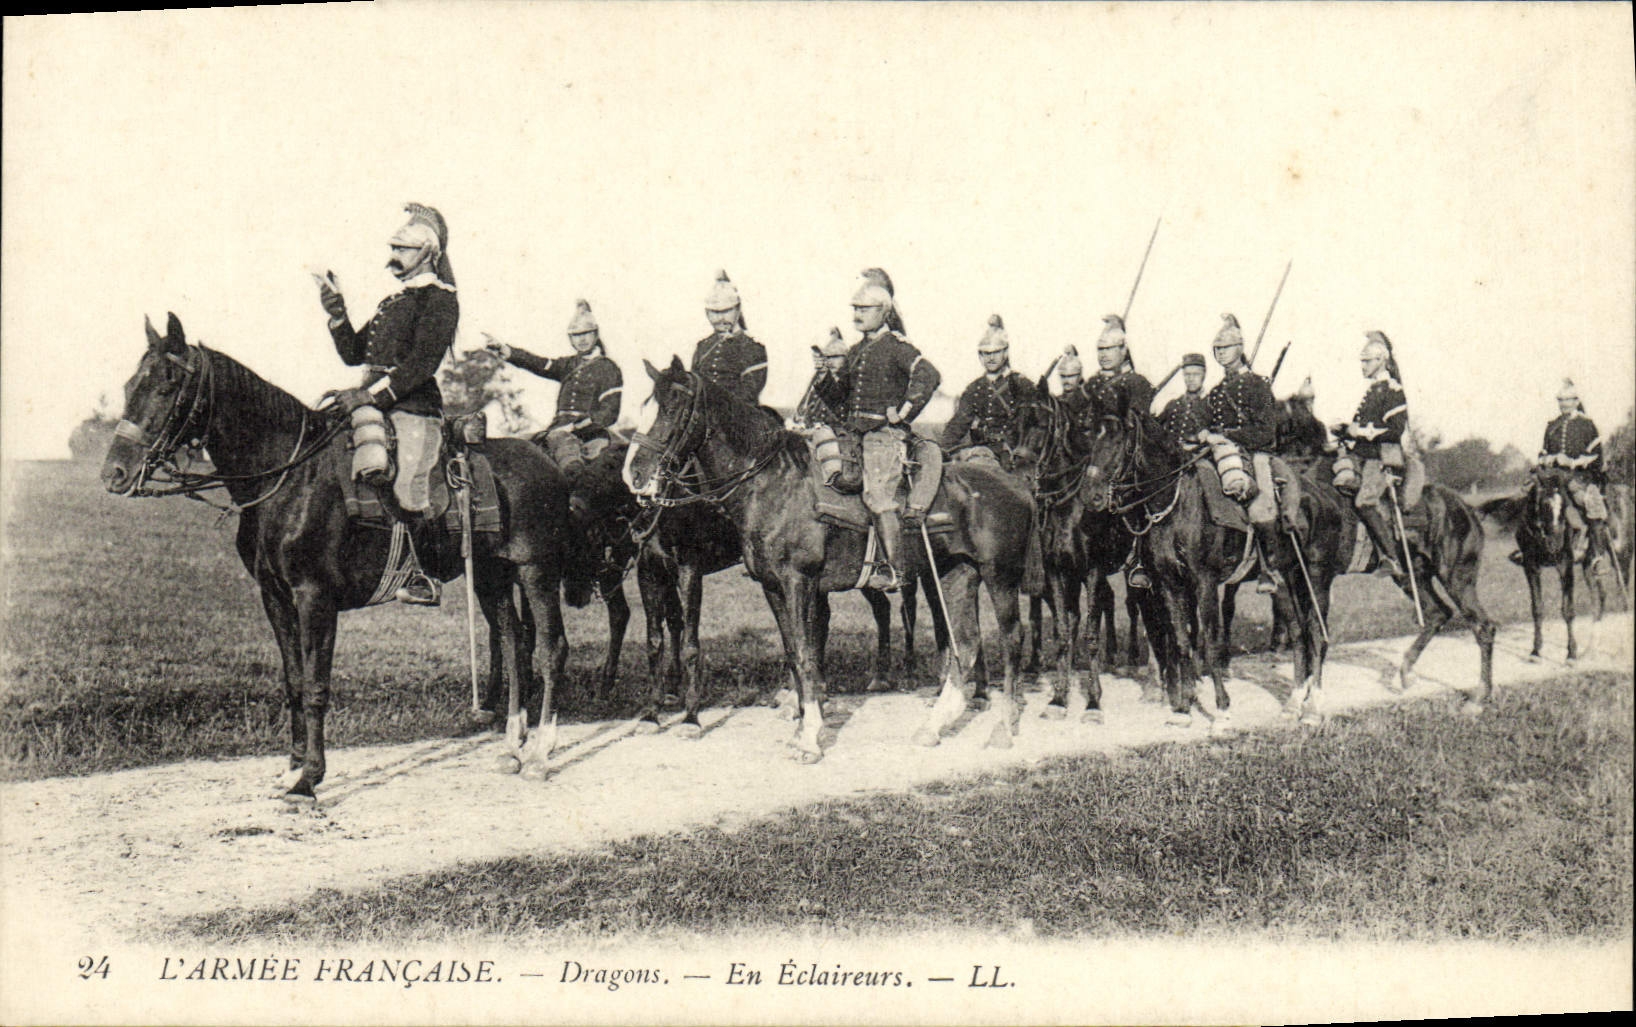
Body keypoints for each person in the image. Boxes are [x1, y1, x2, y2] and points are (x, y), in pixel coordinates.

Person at [317, 202, 457, 606]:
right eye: (394, 247)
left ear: (428, 253)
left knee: (408, 481)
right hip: (373, 403)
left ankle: (422, 574)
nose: (394, 256)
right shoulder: (392, 302)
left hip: (414, 409)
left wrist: (372, 395)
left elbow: (421, 364)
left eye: (404, 249)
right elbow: (354, 353)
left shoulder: (440, 299)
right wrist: (338, 317)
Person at [811, 274, 941, 591]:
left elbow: (929, 375)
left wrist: (905, 412)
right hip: (854, 434)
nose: (857, 314)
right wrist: (823, 377)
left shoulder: (897, 347)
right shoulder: (856, 351)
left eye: (865, 309)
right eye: (855, 308)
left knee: (879, 496)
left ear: (884, 311)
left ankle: (897, 570)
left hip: (884, 436)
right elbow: (842, 399)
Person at [1200, 314, 1297, 595]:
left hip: (1255, 453)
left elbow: (1267, 433)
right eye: (1217, 348)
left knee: (1260, 502)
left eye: (1226, 347)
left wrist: (1228, 435)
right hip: (1221, 453)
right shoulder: (1216, 392)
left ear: (1240, 348)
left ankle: (1270, 567)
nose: (1220, 353)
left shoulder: (1257, 385)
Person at [484, 299, 622, 478]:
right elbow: (539, 363)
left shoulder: (608, 368)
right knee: (517, 446)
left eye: (586, 333)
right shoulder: (568, 364)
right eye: (576, 335)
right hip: (557, 429)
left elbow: (609, 412)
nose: (581, 339)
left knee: (569, 460)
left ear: (596, 335)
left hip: (590, 435)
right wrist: (506, 350)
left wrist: (576, 426)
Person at [1334, 331, 1409, 579]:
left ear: (1381, 361)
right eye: (1362, 362)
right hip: (1360, 455)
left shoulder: (1392, 390)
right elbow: (1360, 427)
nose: (1363, 366)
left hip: (1379, 458)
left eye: (1367, 361)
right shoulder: (1373, 391)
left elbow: (1395, 430)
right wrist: (1345, 430)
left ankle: (1391, 557)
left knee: (1364, 502)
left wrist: (1361, 432)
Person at [1522, 378, 1612, 568]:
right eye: (1560, 400)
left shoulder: (1587, 425)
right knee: (1531, 497)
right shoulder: (1552, 426)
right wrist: (1547, 459)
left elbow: (1596, 456)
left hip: (1580, 477)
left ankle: (1597, 555)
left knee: (1589, 503)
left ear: (1576, 401)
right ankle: (1528, 548)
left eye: (1568, 400)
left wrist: (1571, 462)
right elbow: (1543, 452)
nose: (1563, 404)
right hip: (1553, 476)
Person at [940, 314, 1034, 468]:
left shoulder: (1022, 384)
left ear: (1005, 352)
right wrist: (941, 450)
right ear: (980, 355)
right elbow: (958, 424)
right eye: (986, 353)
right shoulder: (975, 389)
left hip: (1014, 452)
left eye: (996, 352)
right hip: (983, 450)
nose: (991, 358)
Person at [690, 270, 768, 407]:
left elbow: (747, 395)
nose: (720, 318)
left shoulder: (752, 348)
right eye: (714, 313)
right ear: (707, 313)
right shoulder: (703, 347)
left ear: (737, 310)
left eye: (727, 311)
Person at [1084, 314, 1156, 419]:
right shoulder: (1093, 382)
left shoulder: (1137, 382)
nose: (1103, 355)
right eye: (1100, 349)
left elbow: (1137, 424)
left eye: (1109, 349)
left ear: (1123, 350)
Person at [794, 327, 850, 430]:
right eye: (827, 357)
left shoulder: (850, 381)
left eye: (835, 357)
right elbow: (802, 410)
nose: (829, 362)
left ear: (846, 358)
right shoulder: (818, 380)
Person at [1158, 352, 1211, 445]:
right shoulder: (1173, 404)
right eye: (1187, 374)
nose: (1191, 379)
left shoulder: (1211, 404)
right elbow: (1155, 428)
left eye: (1196, 374)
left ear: (1204, 374)